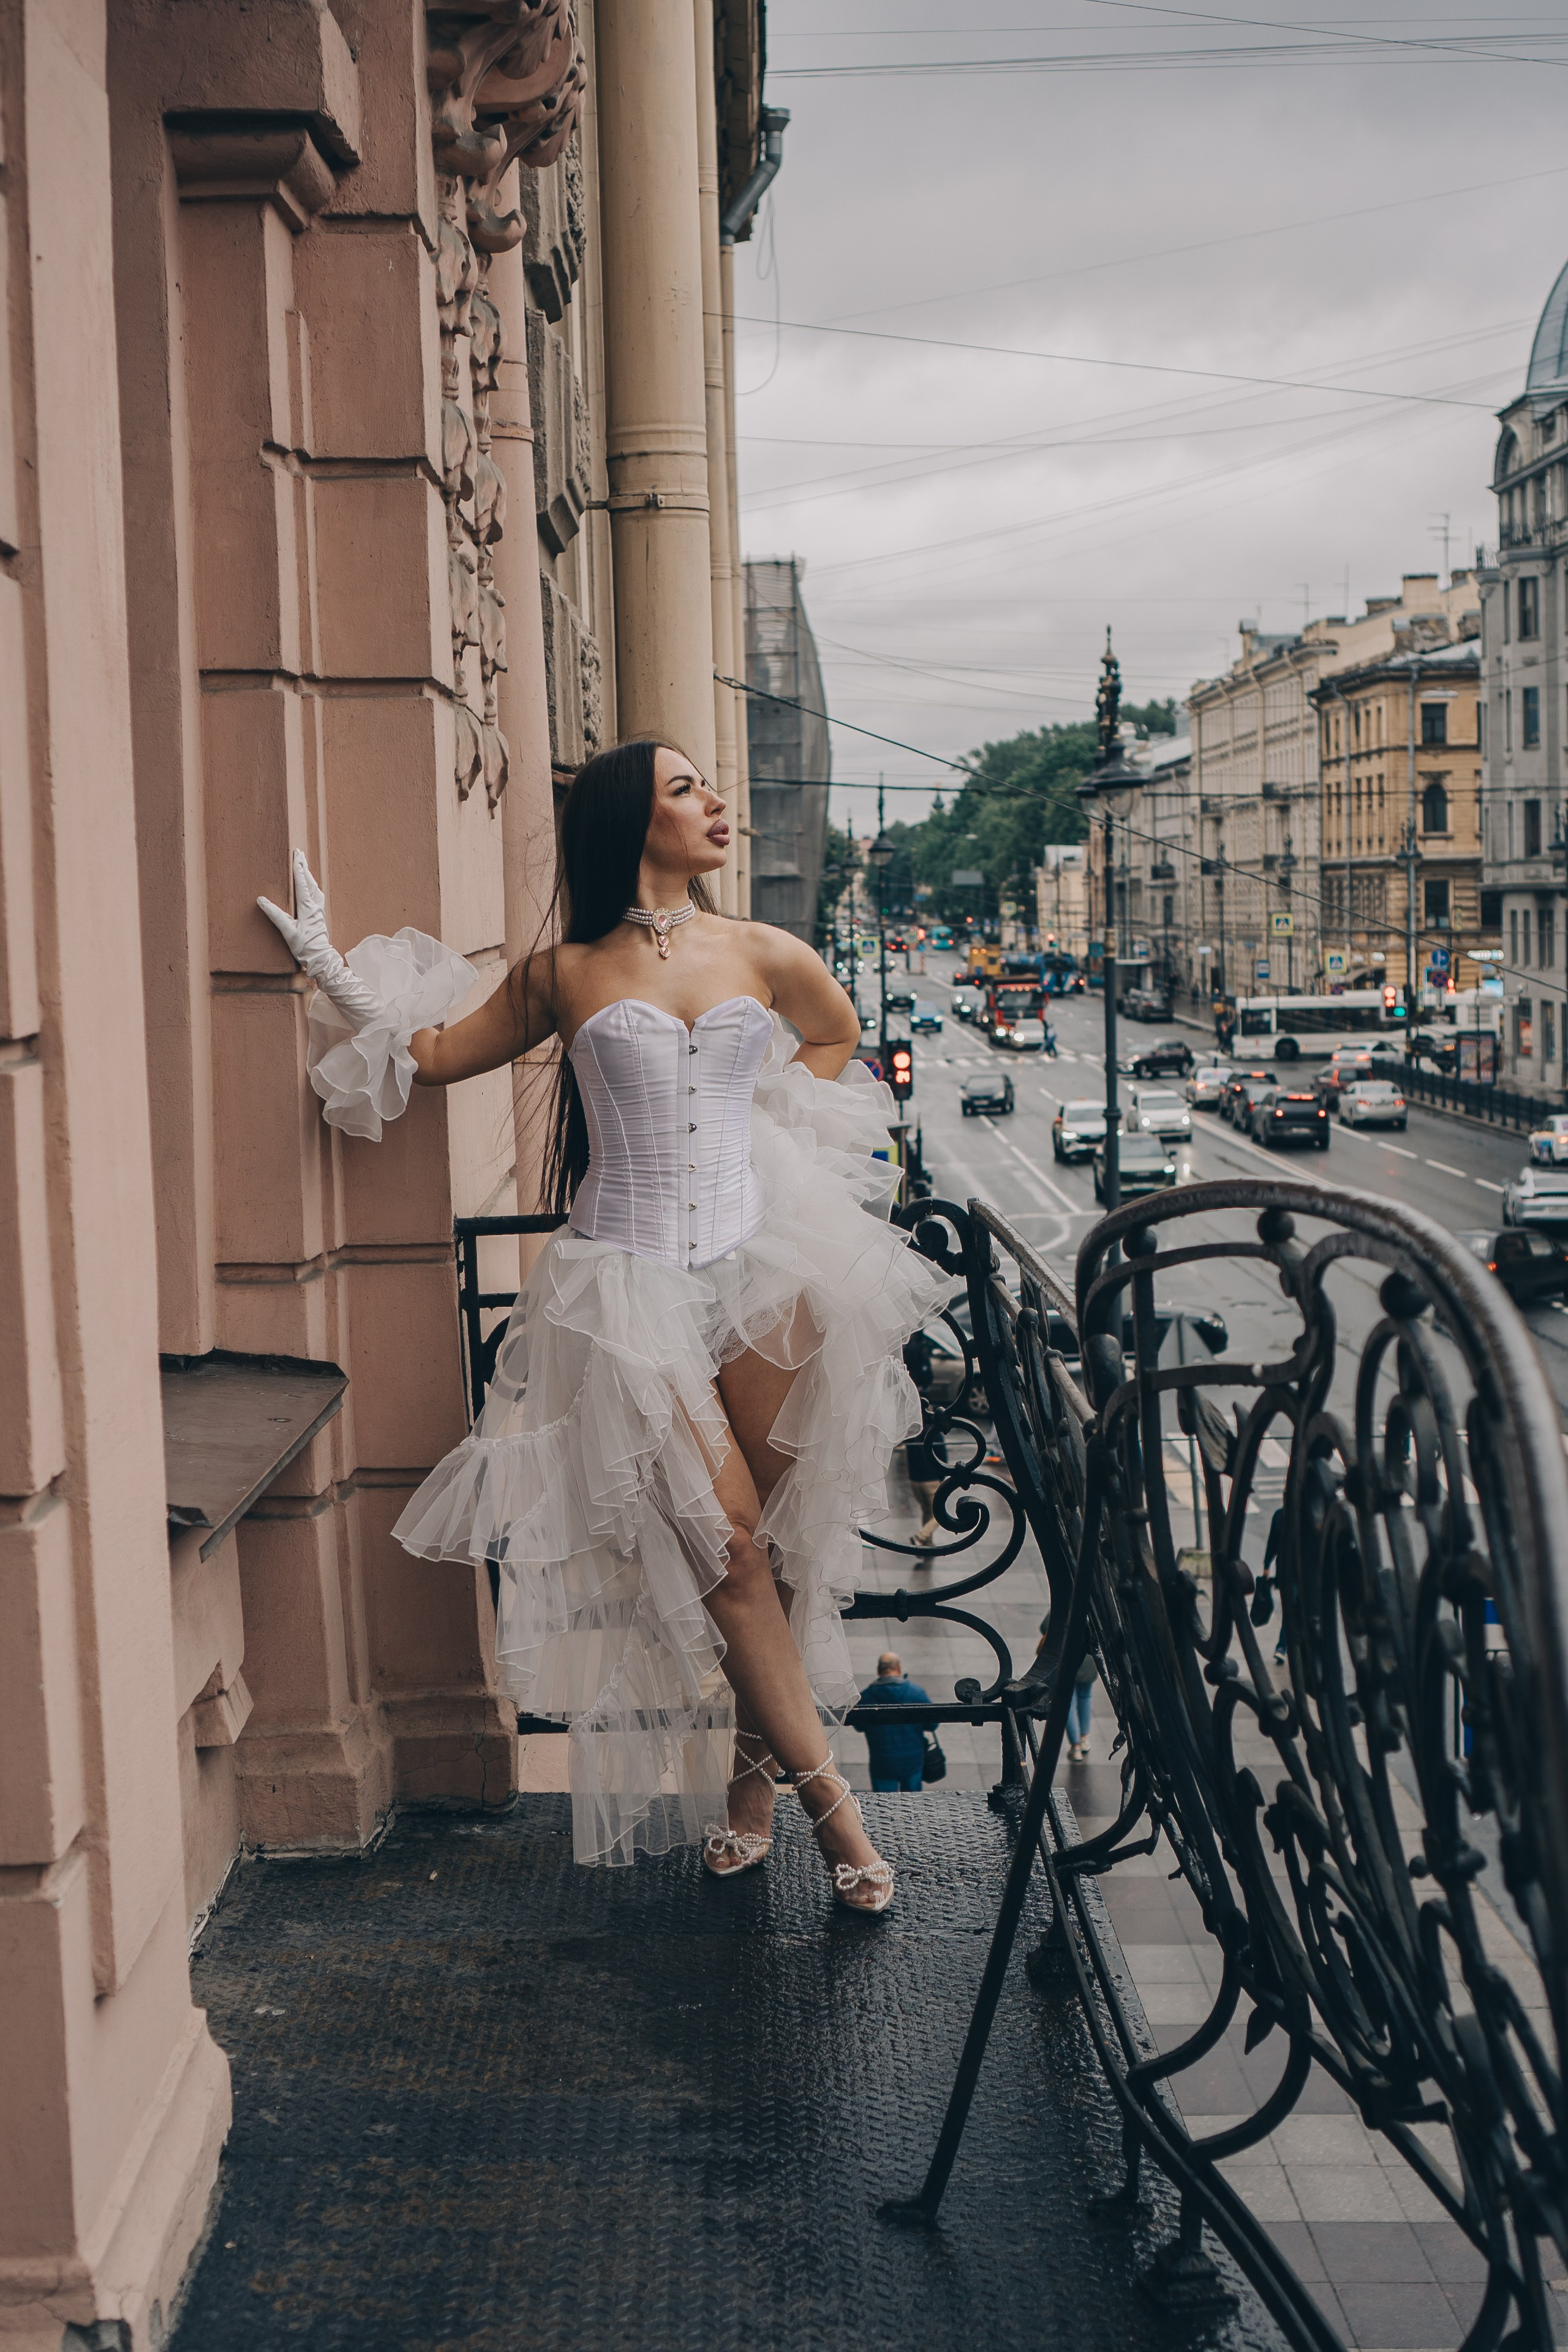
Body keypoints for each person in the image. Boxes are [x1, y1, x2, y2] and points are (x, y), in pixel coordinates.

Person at [257, 740, 954, 1917]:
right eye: (688, 790)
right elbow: (431, 1060)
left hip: (765, 1267)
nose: (717, 803)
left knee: (776, 1556)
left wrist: (777, 1133)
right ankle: (838, 1812)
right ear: (634, 818)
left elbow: (833, 1040)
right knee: (725, 1548)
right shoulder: (565, 971)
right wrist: (332, 966)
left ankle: (751, 1792)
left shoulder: (764, 951)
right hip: (627, 1282)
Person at [859, 1653, 932, 1792]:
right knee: (912, 1807)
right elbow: (932, 1725)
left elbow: (859, 1726)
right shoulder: (916, 1693)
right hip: (913, 1762)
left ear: (879, 1670)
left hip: (882, 1764)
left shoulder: (866, 1697)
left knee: (884, 1808)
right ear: (899, 1668)